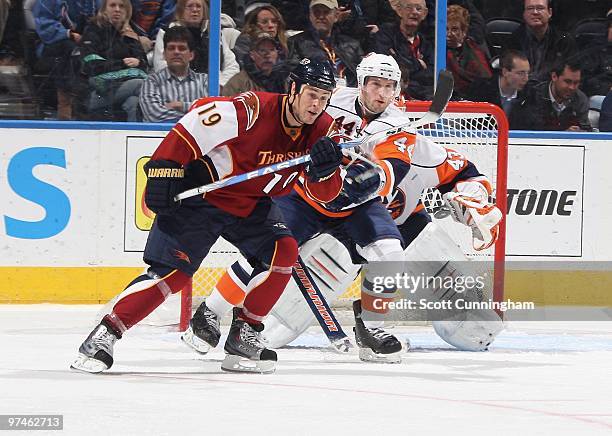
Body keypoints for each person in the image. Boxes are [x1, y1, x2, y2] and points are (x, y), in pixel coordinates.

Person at [71, 58, 342, 374]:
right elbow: (195, 122)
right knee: (172, 275)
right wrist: (163, 169)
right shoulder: (253, 110)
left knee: (284, 251)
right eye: (312, 94)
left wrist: (326, 172)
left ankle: (245, 335)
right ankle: (105, 334)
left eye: (325, 98)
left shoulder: (323, 130)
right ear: (293, 88)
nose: (317, 104)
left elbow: (327, 195)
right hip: (203, 196)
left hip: (252, 203)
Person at [184, 53, 411, 363]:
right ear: (360, 83)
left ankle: (372, 329)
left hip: (356, 204)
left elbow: (395, 165)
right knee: (263, 251)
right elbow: (292, 121)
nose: (381, 94)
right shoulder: (329, 98)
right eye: (374, 84)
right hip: (305, 193)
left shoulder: (399, 123)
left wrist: (375, 175)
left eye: (388, 86)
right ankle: (209, 313)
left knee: (390, 252)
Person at [80, 0, 148, 121]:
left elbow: (144, 64)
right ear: (104, 9)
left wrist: (139, 62)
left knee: (133, 102)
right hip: (98, 91)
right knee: (142, 84)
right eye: (112, 5)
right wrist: (124, 64)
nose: (117, 9)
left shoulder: (130, 34)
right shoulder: (93, 30)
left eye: (121, 6)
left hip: (125, 87)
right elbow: (92, 66)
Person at [33, 0, 99, 119]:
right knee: (72, 52)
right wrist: (69, 34)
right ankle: (65, 110)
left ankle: (90, 107)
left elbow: (99, 21)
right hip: (53, 44)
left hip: (86, 42)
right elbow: (44, 25)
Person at [152, 0, 239, 88]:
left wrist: (220, 84)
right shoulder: (166, 32)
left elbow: (232, 65)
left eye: (198, 6)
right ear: (181, 10)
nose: (195, 10)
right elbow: (161, 66)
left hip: (215, 89)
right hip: (179, 89)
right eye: (190, 6)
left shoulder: (214, 33)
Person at [139, 26, 208, 123]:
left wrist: (181, 105)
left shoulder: (204, 81)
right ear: (164, 54)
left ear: (191, 55)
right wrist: (194, 115)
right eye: (171, 48)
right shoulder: (151, 81)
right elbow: (154, 116)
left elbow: (210, 111)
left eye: (182, 48)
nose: (176, 52)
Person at [287, 0, 363, 87]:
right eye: (316, 12)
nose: (321, 16)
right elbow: (293, 76)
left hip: (349, 94)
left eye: (326, 12)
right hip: (316, 92)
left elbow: (362, 75)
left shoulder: (352, 44)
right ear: (310, 16)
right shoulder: (296, 42)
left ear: (336, 16)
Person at [373, 0, 435, 100]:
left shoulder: (426, 42)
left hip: (421, 95)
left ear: (425, 14)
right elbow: (389, 65)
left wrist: (409, 72)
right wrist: (419, 65)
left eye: (419, 9)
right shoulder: (385, 34)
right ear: (399, 10)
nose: (414, 12)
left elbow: (432, 73)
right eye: (409, 7)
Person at [503, 0, 577, 83]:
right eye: (530, 8)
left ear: (550, 12)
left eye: (540, 8)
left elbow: (572, 75)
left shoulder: (564, 41)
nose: (535, 12)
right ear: (524, 14)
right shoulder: (512, 41)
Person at [513, 60, 592, 131]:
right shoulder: (534, 95)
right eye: (567, 81)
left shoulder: (580, 99)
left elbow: (586, 129)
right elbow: (531, 129)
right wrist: (564, 134)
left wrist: (581, 131)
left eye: (576, 83)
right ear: (554, 76)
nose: (572, 87)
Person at [466, 49, 530, 126]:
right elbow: (470, 124)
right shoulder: (480, 90)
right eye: (520, 73)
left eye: (527, 73)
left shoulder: (530, 94)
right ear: (505, 72)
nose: (526, 79)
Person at [445, 4, 492, 99]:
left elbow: (486, 78)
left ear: (464, 31)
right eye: (446, 29)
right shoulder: (436, 51)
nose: (449, 34)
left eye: (454, 29)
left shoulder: (476, 51)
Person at [222, 31, 288, 96]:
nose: (267, 55)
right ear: (252, 55)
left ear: (277, 53)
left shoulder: (282, 81)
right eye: (262, 50)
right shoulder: (238, 82)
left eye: (271, 50)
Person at [232, 4, 288, 68]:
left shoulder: (283, 42)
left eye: (274, 21)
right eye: (264, 22)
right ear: (254, 25)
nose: (270, 25)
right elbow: (246, 67)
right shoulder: (245, 40)